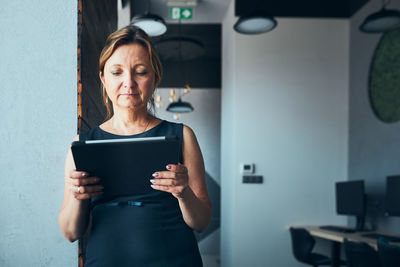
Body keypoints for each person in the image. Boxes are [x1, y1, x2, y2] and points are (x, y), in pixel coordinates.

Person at [58, 25, 212, 266]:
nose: (128, 83)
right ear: (103, 78)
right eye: (117, 72)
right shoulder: (83, 144)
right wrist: (78, 197)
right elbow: (69, 233)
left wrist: (183, 192)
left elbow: (201, 222)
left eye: (140, 72)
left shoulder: (182, 135)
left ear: (155, 77)